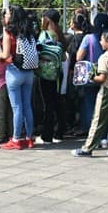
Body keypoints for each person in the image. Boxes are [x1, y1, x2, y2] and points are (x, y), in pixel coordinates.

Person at [71, 29, 108, 157]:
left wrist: (90, 76)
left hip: (106, 91)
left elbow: (101, 78)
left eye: (102, 40)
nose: (100, 42)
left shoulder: (105, 57)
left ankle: (87, 148)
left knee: (97, 120)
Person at [0, 5, 38, 150]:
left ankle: (16, 139)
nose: (4, 16)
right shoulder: (29, 30)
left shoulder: (8, 31)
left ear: (11, 16)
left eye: (6, 14)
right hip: (29, 72)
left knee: (17, 107)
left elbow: (5, 55)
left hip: (14, 72)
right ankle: (29, 138)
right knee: (27, 106)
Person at [36, 9, 66, 145]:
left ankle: (46, 135)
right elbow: (64, 56)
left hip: (46, 73)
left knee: (47, 103)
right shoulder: (59, 34)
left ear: (47, 19)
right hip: (58, 72)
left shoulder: (45, 35)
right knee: (57, 101)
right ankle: (59, 132)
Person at [76, 13, 108, 137]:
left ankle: (93, 134)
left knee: (90, 106)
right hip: (107, 76)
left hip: (91, 76)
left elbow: (79, 57)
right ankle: (104, 135)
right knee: (104, 107)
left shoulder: (89, 38)